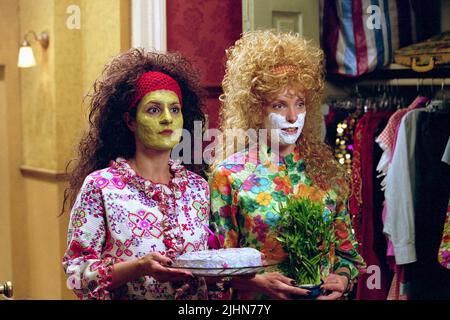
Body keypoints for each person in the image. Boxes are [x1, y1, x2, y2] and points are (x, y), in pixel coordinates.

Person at [209, 30, 366, 300]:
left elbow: (348, 256)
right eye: (280, 105)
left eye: (300, 104)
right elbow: (218, 268)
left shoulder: (326, 171)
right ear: (257, 109)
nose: (293, 116)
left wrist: (341, 278)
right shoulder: (229, 175)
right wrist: (258, 281)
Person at [62, 48, 211, 300]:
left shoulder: (198, 188)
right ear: (130, 121)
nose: (167, 119)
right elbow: (76, 274)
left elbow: (213, 268)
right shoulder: (101, 187)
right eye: (154, 110)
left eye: (175, 109)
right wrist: (139, 267)